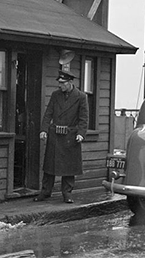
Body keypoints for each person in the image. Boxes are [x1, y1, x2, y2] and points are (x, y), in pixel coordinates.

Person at [34, 69, 89, 203]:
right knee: (49, 166)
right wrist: (44, 130)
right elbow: (48, 113)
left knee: (69, 168)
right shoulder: (55, 95)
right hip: (55, 136)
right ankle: (46, 191)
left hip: (70, 136)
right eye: (59, 83)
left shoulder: (81, 97)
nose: (60, 85)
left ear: (70, 83)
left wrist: (81, 133)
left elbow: (84, 118)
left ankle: (67, 194)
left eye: (63, 83)